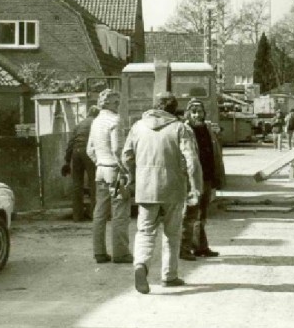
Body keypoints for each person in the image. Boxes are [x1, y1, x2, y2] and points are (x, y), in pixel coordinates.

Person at [122, 91, 202, 294]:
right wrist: (195, 187)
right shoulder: (180, 128)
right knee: (172, 233)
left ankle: (141, 264)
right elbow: (191, 160)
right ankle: (169, 275)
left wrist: (134, 175)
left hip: (146, 187)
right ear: (174, 108)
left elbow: (126, 156)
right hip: (173, 188)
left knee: (145, 230)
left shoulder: (138, 127)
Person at [87, 90, 132, 264]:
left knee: (99, 212)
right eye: (116, 102)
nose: (118, 105)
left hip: (101, 170)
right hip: (115, 169)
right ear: (108, 104)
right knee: (120, 212)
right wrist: (126, 170)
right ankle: (121, 253)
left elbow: (89, 149)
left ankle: (99, 252)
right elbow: (117, 149)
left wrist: (99, 162)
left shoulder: (96, 121)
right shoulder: (116, 120)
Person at [180, 98, 225, 260]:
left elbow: (215, 154)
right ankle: (184, 248)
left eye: (199, 111)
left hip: (207, 176)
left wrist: (217, 177)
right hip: (192, 178)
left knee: (202, 214)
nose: (197, 115)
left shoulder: (208, 128)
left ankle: (200, 247)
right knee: (190, 213)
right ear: (188, 113)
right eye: (193, 112)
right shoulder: (184, 130)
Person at [63, 106, 99, 222]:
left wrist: (67, 161)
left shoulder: (80, 124)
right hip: (88, 152)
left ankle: (77, 216)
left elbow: (70, 143)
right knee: (94, 183)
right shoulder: (97, 122)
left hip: (75, 153)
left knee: (77, 184)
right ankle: (95, 215)